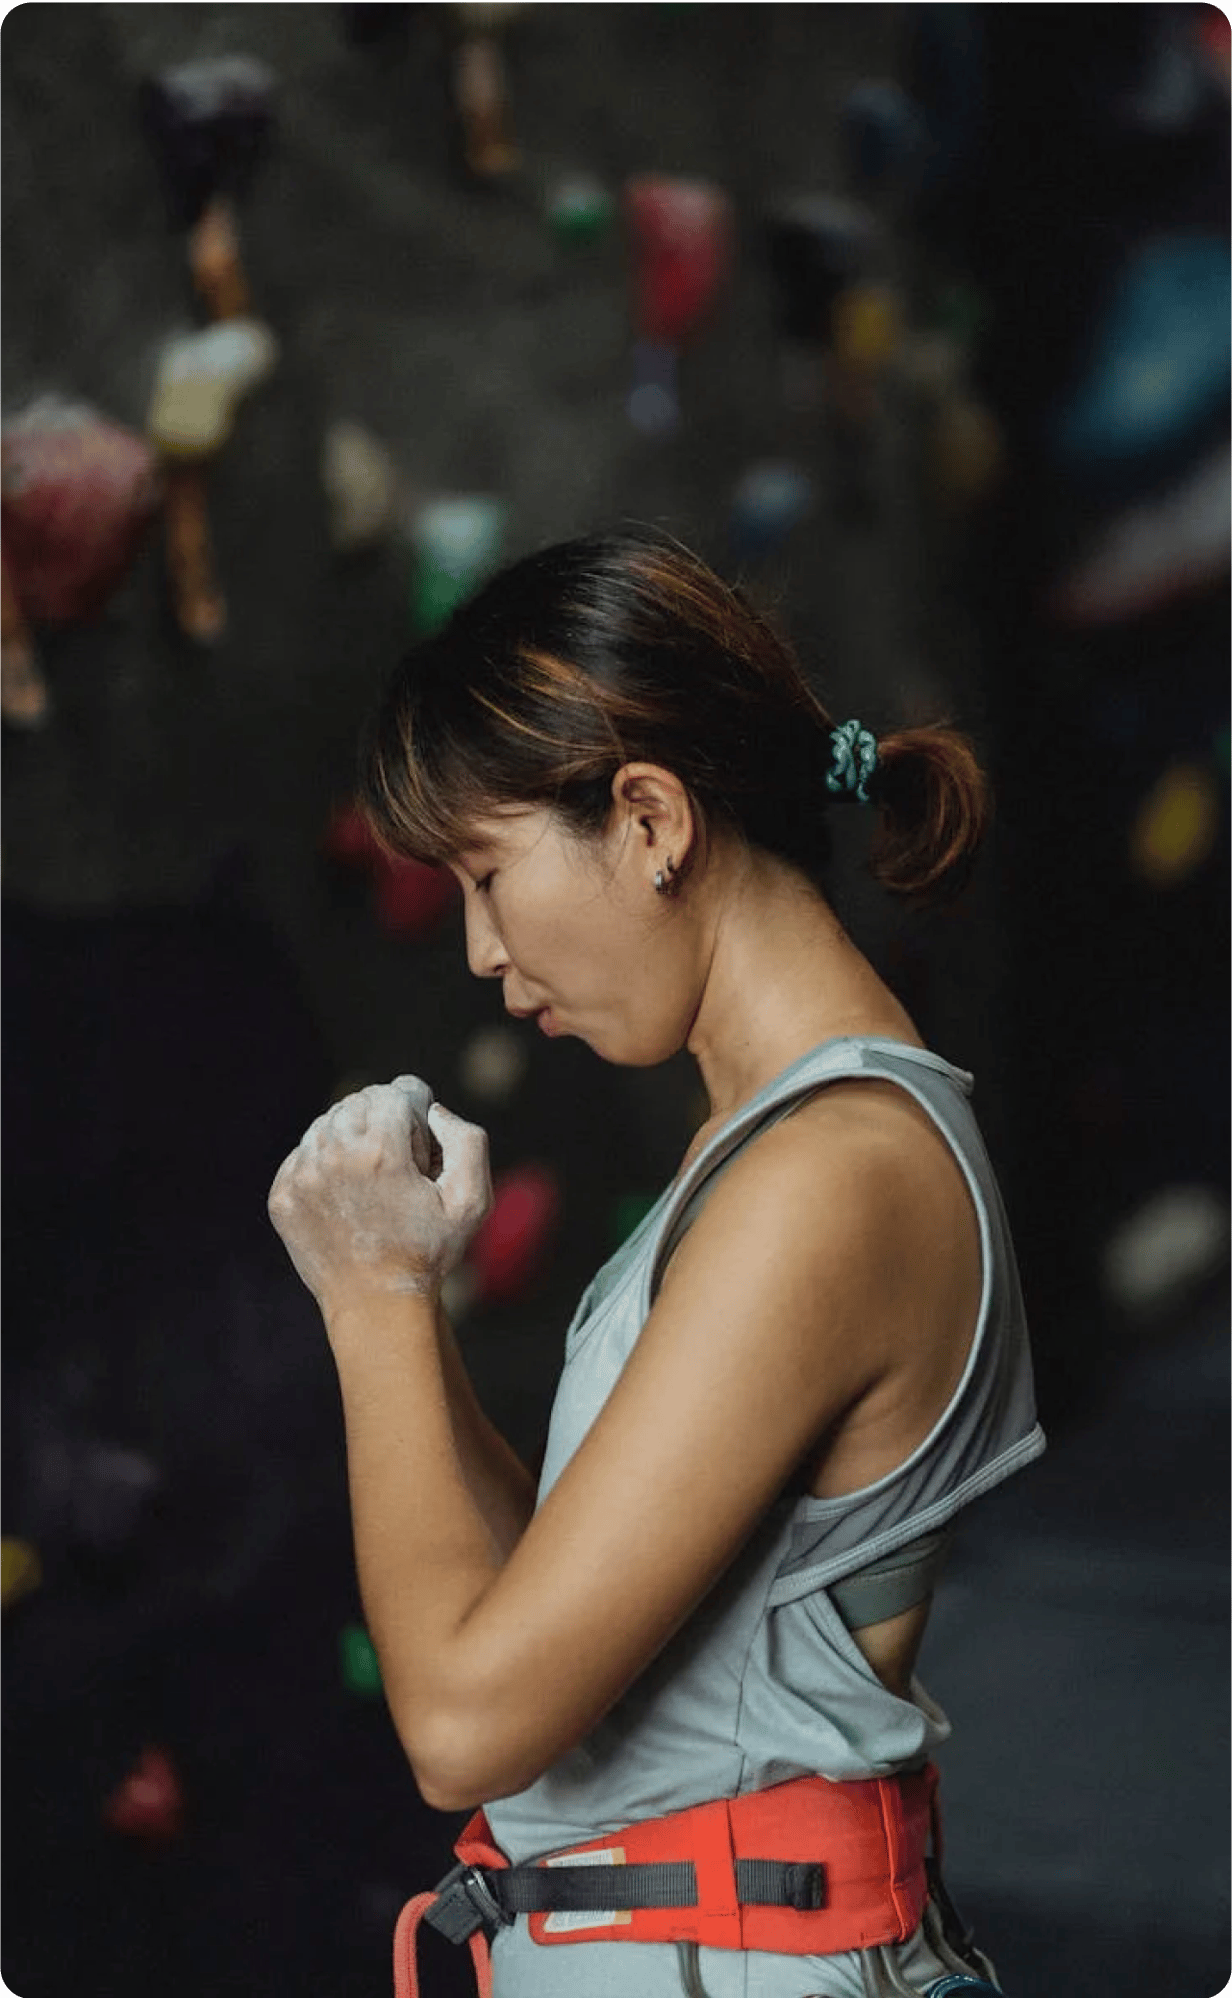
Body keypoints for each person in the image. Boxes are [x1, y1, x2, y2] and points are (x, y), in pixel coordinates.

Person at [268, 528, 1045, 1997]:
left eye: (492, 875)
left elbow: (462, 1724)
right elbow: (555, 1614)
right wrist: (411, 1303)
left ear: (648, 818)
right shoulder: (763, 1149)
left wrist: (369, 1298)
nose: (485, 952)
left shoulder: (830, 1178)